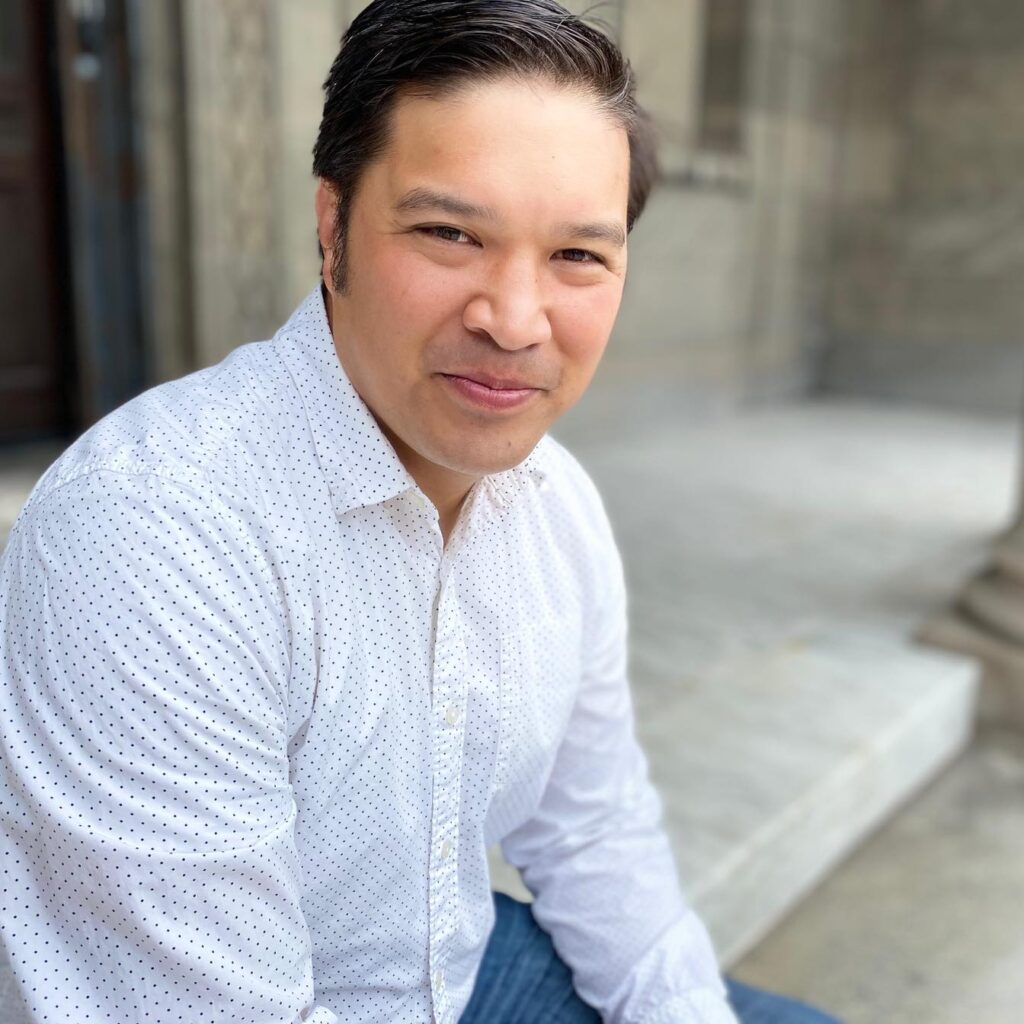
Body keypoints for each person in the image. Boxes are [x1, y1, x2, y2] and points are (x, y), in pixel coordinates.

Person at [0, 2, 840, 1021]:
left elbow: (593, 831)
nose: (515, 320)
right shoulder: (154, 534)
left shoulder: (557, 507)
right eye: (450, 233)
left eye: (578, 256)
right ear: (331, 227)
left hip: (457, 971)